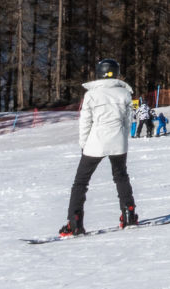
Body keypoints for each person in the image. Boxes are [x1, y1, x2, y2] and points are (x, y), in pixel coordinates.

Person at [60, 58, 139, 237]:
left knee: (80, 182)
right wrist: (123, 138)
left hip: (95, 142)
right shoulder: (125, 93)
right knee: (121, 177)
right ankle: (129, 214)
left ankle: (75, 223)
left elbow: (85, 122)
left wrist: (83, 144)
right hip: (118, 141)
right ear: (116, 73)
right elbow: (128, 120)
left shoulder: (91, 95)